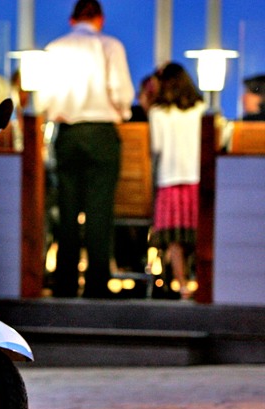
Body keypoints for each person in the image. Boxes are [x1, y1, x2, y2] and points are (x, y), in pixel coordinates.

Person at [38, 0, 135, 298]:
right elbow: (122, 92)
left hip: (68, 133)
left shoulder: (54, 49)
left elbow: (43, 99)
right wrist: (122, 113)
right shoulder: (110, 46)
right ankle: (97, 284)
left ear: (72, 20)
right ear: (100, 19)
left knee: (67, 209)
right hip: (102, 133)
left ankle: (65, 283)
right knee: (99, 211)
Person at [149, 62, 205, 300]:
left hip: (169, 179)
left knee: (173, 238)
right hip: (196, 178)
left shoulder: (158, 112)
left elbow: (156, 147)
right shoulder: (200, 108)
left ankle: (181, 284)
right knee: (199, 234)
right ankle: (201, 282)